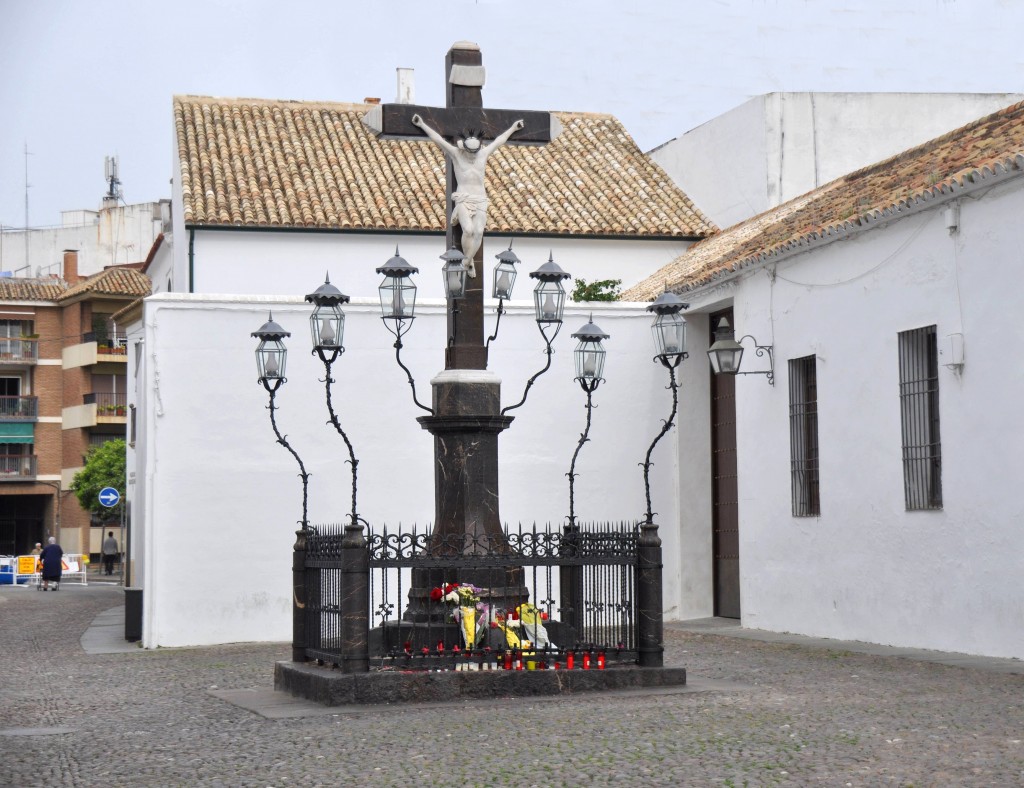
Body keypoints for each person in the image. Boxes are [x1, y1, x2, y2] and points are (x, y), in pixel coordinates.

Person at [410, 114, 524, 275]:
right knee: (469, 230)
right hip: (463, 198)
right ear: (464, 148)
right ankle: (467, 261)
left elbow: (499, 141)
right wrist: (422, 125)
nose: (472, 156)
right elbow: (438, 140)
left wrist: (513, 128)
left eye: (474, 152)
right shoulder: (456, 154)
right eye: (470, 152)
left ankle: (467, 261)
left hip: (480, 199)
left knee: (479, 232)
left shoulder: (483, 154)